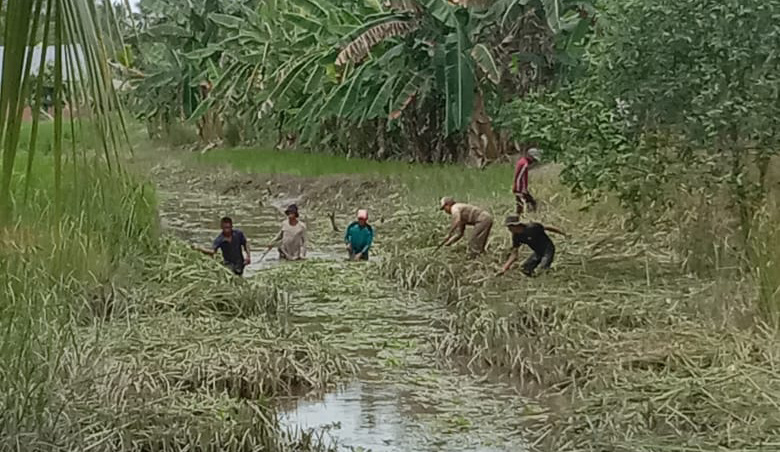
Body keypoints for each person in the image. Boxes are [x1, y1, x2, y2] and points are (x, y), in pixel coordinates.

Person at [497, 215, 565, 277]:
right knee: (525, 269)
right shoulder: (516, 237)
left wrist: (563, 233)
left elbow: (547, 227)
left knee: (543, 269)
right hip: (537, 252)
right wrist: (504, 268)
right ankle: (534, 280)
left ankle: (547, 280)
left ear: (516, 225)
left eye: (510, 227)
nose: (508, 229)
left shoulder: (532, 227)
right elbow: (514, 254)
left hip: (548, 249)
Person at [513, 147, 542, 215]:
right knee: (522, 205)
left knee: (530, 202)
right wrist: (519, 190)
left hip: (522, 189)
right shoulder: (524, 164)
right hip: (520, 189)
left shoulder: (522, 161)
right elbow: (518, 177)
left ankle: (528, 214)